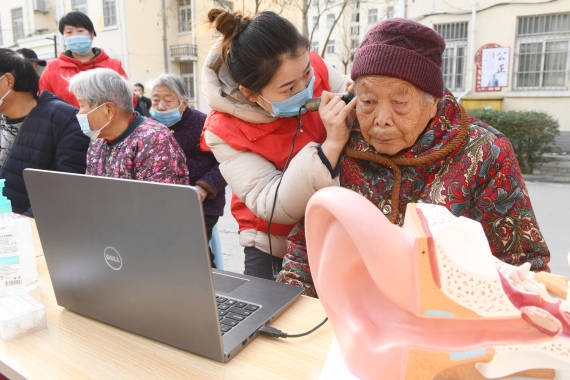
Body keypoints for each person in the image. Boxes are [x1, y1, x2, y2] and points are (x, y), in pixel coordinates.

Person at [278, 19, 550, 296]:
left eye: (399, 103)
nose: (381, 120)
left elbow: (525, 269)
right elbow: (305, 248)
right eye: (369, 102)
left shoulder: (484, 152)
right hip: (348, 317)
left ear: (433, 101)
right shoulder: (344, 140)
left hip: (446, 323)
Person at [202, 9, 354, 280]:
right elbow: (270, 202)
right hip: (271, 241)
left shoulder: (313, 67)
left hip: (333, 225)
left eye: (307, 74)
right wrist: (330, 148)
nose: (306, 88)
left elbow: (349, 95)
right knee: (271, 318)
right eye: (288, 88)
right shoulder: (222, 129)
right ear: (250, 94)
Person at [0, 48, 89, 216]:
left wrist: (22, 225)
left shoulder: (64, 120)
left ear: (7, 81)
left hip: (29, 232)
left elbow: (66, 190)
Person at [149, 73, 226, 266]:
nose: (160, 106)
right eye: (155, 100)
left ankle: (211, 286)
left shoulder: (204, 124)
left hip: (202, 203)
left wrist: (204, 188)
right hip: (163, 205)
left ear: (183, 102)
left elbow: (225, 163)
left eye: (168, 100)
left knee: (195, 252)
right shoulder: (150, 127)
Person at [69, 68, 188, 184]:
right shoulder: (98, 140)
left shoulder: (154, 140)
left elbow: (157, 200)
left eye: (82, 104)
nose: (79, 113)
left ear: (108, 110)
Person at [39, 11, 127, 108]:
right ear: (63, 37)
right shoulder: (53, 68)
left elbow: (128, 100)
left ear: (92, 34)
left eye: (80, 31)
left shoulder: (113, 66)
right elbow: (43, 103)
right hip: (67, 122)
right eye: (69, 32)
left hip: (109, 122)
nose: (75, 36)